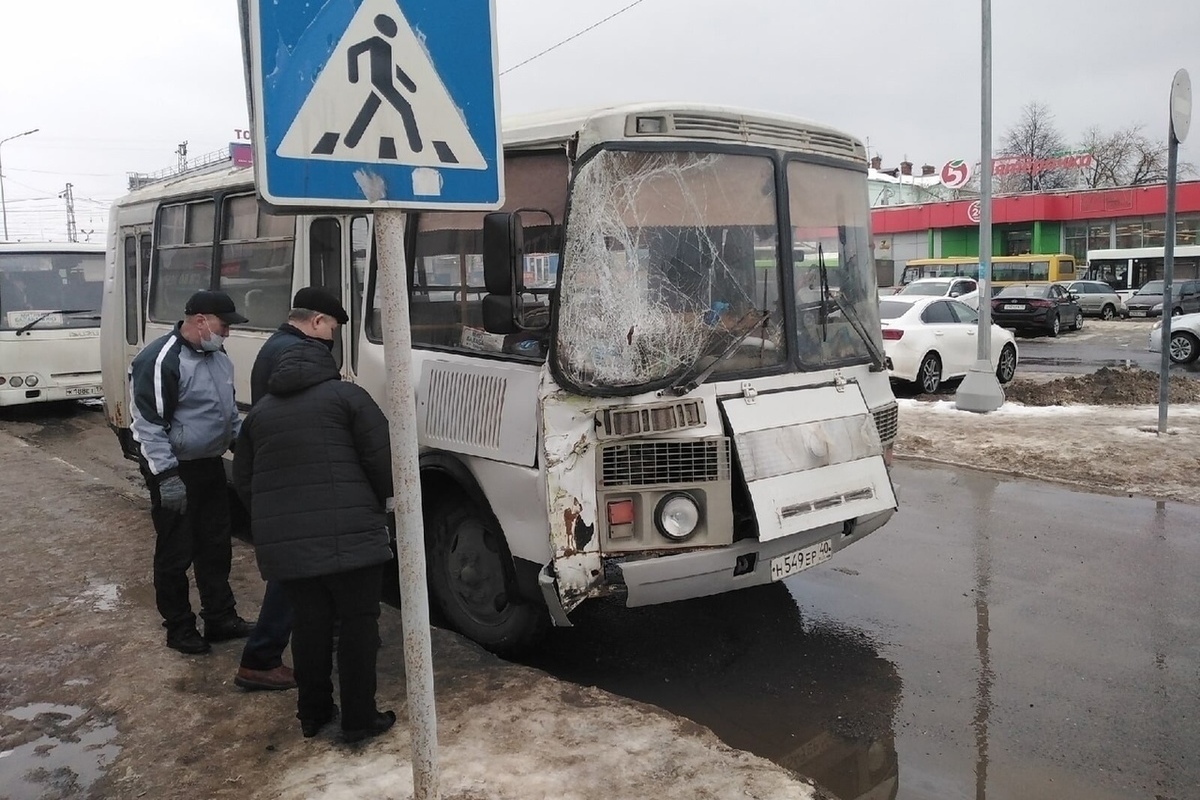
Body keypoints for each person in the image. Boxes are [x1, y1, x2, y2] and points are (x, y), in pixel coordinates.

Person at [232, 337, 395, 743]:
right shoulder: (349, 398)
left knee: (308, 627)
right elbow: (384, 460)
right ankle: (360, 720)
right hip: (354, 542)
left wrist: (274, 522)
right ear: (328, 362)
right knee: (358, 628)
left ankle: (313, 714)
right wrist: (376, 505)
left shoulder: (259, 415)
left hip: (289, 547)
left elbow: (244, 482)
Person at [234, 287, 349, 692]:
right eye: (332, 328)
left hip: (280, 476)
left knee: (308, 568)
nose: (332, 338)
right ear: (317, 321)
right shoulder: (294, 353)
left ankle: (325, 631)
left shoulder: (277, 346)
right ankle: (260, 658)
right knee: (293, 574)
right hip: (291, 479)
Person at [128, 290, 256, 655]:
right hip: (174, 470)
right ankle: (180, 626)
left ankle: (219, 617)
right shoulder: (160, 360)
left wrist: (240, 444)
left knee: (215, 545)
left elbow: (227, 409)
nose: (227, 333)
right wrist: (167, 478)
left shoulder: (218, 356)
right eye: (224, 325)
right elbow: (147, 425)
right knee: (176, 551)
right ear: (200, 320)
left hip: (209, 466)